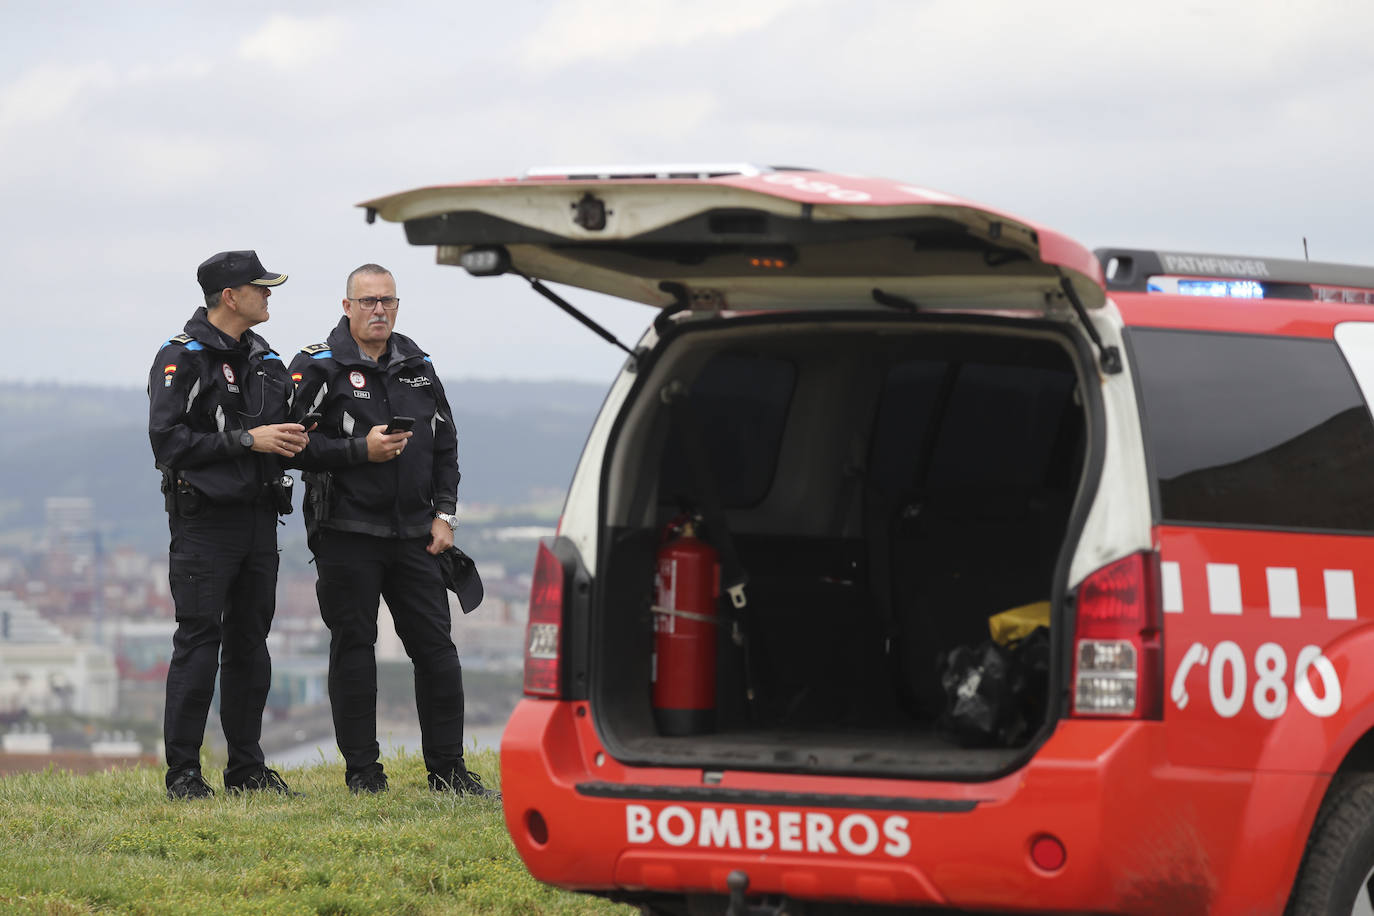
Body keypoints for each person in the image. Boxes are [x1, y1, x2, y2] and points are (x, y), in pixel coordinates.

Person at [289, 263, 497, 797]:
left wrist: (445, 515)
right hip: (346, 532)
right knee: (354, 648)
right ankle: (364, 774)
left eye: (387, 300)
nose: (378, 309)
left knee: (437, 650)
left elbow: (446, 446)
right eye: (368, 301)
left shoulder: (418, 366)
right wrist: (361, 450)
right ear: (347, 307)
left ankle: (448, 772)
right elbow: (295, 445)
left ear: (397, 306)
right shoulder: (318, 367)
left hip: (416, 535)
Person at [147, 250, 308, 799]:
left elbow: (284, 432)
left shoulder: (267, 360)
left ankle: (247, 769)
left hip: (260, 522)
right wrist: (247, 440)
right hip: (204, 525)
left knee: (250, 646)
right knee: (198, 643)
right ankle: (184, 776)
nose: (269, 296)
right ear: (231, 296)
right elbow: (167, 444)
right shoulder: (181, 359)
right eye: (260, 288)